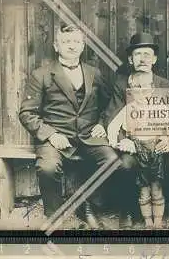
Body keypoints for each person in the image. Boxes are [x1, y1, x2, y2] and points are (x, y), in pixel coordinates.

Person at [19, 23, 120, 229]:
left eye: (76, 42)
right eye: (66, 42)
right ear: (56, 47)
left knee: (112, 161)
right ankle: (54, 214)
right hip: (56, 137)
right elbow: (27, 113)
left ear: (83, 46)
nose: (71, 46)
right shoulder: (41, 75)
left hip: (88, 135)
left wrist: (102, 123)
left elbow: (110, 103)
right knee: (47, 167)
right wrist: (50, 134)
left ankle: (88, 206)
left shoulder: (95, 73)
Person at [104, 32, 169, 229]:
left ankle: (164, 208)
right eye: (138, 54)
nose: (143, 59)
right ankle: (129, 209)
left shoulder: (166, 85)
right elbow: (113, 117)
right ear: (131, 59)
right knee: (127, 164)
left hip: (157, 142)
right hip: (133, 143)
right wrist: (125, 141)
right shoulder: (121, 84)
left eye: (147, 54)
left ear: (154, 59)